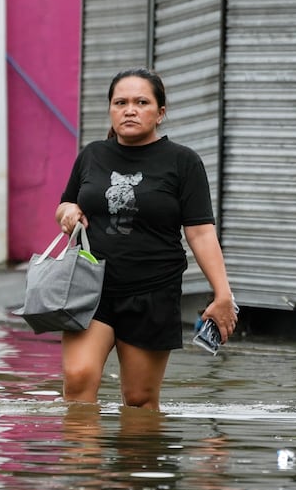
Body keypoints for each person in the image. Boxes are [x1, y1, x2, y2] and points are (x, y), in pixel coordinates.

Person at [55, 67, 238, 408]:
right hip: (90, 287)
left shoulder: (183, 163)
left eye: (141, 102)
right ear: (110, 109)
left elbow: (199, 232)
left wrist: (222, 293)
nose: (130, 109)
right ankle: (81, 463)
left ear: (160, 112)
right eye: (120, 102)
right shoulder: (92, 155)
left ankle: (137, 462)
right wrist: (66, 212)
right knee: (78, 381)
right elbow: (67, 203)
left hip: (152, 290)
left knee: (139, 399)